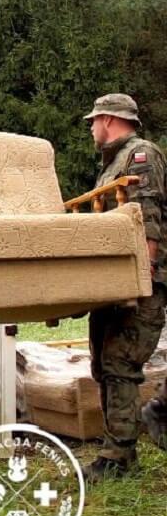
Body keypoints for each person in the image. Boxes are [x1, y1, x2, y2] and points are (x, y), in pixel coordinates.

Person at [83, 93, 167, 481]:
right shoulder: (113, 162)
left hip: (139, 280)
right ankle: (115, 446)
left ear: (108, 119)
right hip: (114, 282)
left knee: (120, 362)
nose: (91, 129)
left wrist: (144, 272)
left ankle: (119, 456)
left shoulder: (140, 155)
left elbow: (147, 212)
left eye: (93, 121)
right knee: (103, 364)